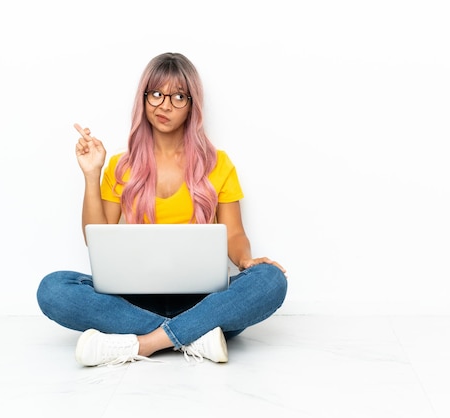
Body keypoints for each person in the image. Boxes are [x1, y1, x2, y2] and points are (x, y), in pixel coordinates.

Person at [36, 52, 288, 367]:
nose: (164, 105)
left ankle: (144, 343)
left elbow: (234, 233)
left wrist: (246, 260)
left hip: (203, 300)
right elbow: (95, 237)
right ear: (143, 99)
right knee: (53, 288)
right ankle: (194, 336)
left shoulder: (218, 164)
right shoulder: (120, 166)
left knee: (270, 279)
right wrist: (91, 174)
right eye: (156, 94)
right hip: (133, 300)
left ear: (192, 105)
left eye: (178, 97)